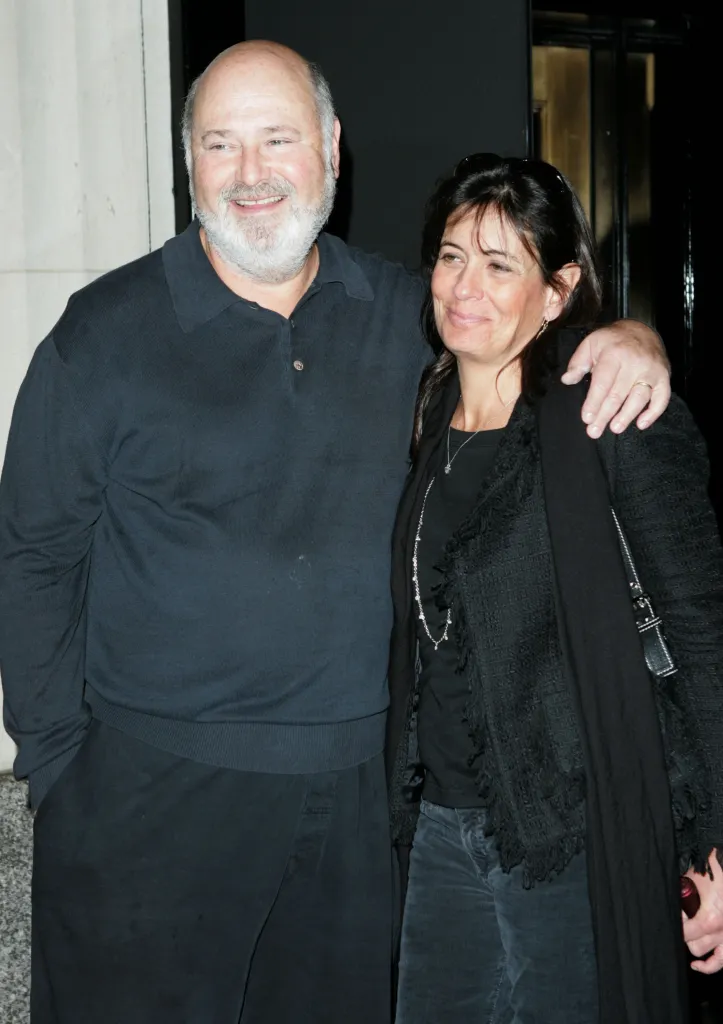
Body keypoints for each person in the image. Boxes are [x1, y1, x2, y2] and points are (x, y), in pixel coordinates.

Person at [0, 42, 670, 1024]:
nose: (251, 171)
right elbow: (31, 556)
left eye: (277, 139)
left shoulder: (407, 315)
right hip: (148, 804)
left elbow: (529, 333)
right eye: (219, 145)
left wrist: (633, 338)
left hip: (355, 809)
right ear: (190, 167)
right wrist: (62, 776)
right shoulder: (103, 334)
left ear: (331, 150)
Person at [386, 152, 723, 1024]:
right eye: (452, 255)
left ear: (557, 288)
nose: (466, 285)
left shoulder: (610, 411)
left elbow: (699, 631)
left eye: (501, 264)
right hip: (443, 829)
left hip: (576, 830)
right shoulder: (425, 413)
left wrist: (720, 846)